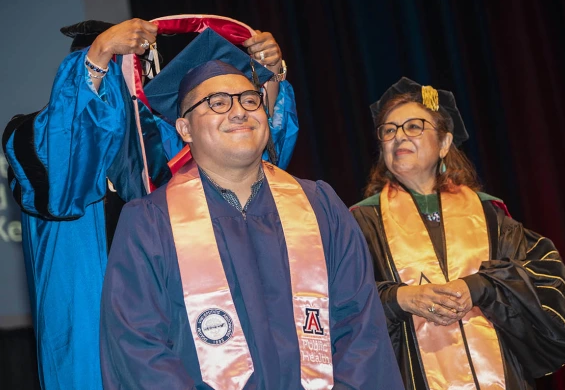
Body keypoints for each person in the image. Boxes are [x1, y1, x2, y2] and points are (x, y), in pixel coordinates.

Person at [2, 17, 298, 390]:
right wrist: (99, 56)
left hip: (170, 336)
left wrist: (269, 77)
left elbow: (249, 166)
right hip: (90, 332)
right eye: (104, 77)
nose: (119, 92)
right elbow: (69, 162)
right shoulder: (37, 141)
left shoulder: (161, 149)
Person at [99, 55, 403, 389]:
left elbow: (360, 326)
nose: (239, 111)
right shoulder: (150, 223)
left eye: (249, 99)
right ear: (185, 129)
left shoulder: (320, 207)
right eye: (217, 103)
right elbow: (138, 346)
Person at [351, 77, 565, 390]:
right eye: (388, 130)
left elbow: (545, 281)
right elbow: (342, 302)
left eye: (413, 126)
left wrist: (480, 287)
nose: (398, 136)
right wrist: (400, 297)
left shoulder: (489, 214)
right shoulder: (361, 223)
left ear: (443, 143)